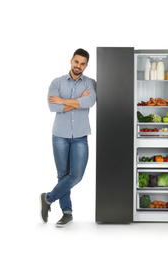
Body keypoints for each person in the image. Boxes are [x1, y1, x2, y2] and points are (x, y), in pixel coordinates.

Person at [40, 48, 96, 227]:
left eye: (83, 63)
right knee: (63, 175)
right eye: (76, 61)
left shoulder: (90, 83)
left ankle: (48, 198)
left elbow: (89, 102)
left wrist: (63, 101)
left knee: (76, 176)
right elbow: (52, 107)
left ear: (86, 65)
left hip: (80, 135)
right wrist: (78, 101)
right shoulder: (56, 82)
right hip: (59, 135)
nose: (78, 66)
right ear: (71, 61)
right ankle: (67, 213)